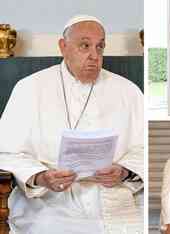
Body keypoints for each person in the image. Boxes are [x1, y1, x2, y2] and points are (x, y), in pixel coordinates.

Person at [0, 15, 144, 234]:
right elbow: (6, 151)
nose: (94, 56)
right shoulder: (29, 88)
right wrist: (40, 177)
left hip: (114, 196)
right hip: (50, 203)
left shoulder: (128, 91)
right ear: (63, 47)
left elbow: (144, 148)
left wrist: (124, 171)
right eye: (84, 46)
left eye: (100, 47)